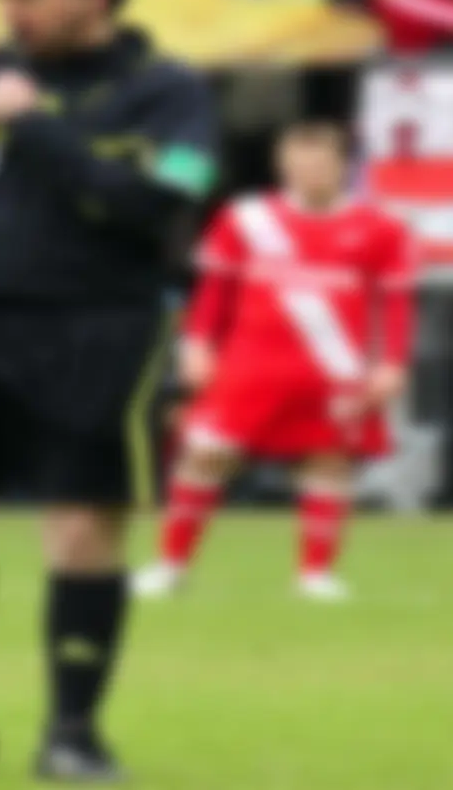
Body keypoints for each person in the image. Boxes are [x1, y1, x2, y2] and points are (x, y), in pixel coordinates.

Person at [0, 0, 218, 780]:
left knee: (80, 530)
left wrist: (33, 128)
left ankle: (71, 731)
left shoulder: (165, 93)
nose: (14, 15)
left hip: (98, 331)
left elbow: (159, 198)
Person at [133, 123, 415, 602]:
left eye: (320, 161)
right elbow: (213, 293)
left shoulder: (379, 228)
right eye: (298, 161)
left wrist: (391, 363)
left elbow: (394, 304)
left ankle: (315, 574)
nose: (309, 170)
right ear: (283, 165)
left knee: (328, 464)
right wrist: (197, 346)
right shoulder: (247, 220)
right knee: (204, 455)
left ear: (342, 165)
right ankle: (170, 566)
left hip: (333, 372)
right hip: (248, 368)